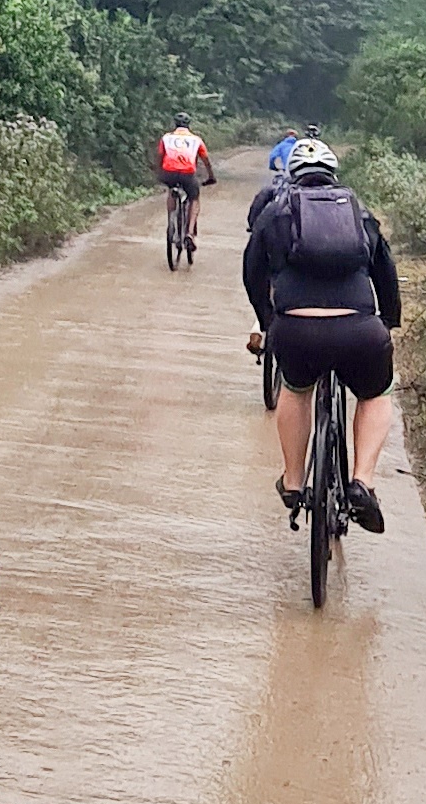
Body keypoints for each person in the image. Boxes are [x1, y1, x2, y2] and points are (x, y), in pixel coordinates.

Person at [242, 137, 402, 533]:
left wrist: (267, 321)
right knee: (375, 394)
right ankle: (362, 481)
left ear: (292, 175)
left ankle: (294, 482)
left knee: (296, 390)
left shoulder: (276, 212)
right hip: (359, 330)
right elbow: (386, 272)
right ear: (333, 174)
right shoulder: (358, 213)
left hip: (296, 331)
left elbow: (252, 272)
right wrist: (387, 322)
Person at [154, 114, 215, 250]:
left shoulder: (166, 138)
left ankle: (171, 221)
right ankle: (190, 233)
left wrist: (159, 172)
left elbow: (160, 156)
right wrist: (211, 177)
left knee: (171, 189)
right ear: (189, 125)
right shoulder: (196, 140)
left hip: (169, 172)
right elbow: (206, 161)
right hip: (187, 174)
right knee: (194, 198)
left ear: (175, 124)